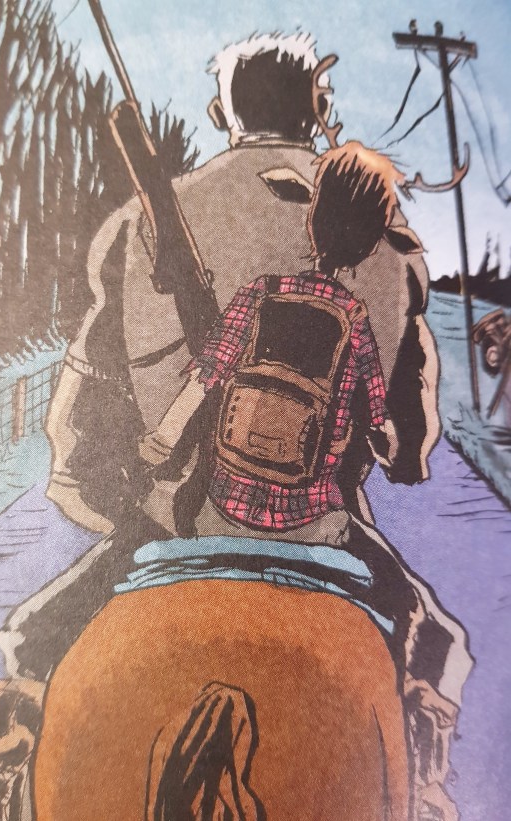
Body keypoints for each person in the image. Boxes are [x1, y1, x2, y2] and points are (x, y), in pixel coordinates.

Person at [139, 141, 472, 819]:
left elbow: (205, 377)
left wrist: (162, 439)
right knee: (435, 633)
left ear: (311, 216)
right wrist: (391, 446)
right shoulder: (354, 322)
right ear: (372, 239)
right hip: (316, 530)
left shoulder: (258, 294)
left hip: (217, 516)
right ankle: (425, 786)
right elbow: (380, 431)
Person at [44, 32, 439, 538]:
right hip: (324, 521)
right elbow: (409, 432)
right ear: (320, 110)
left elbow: (75, 442)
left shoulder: (137, 221)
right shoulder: (385, 227)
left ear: (219, 113)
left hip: (173, 521)